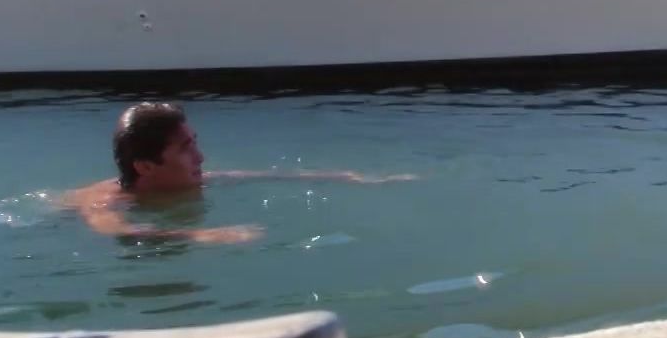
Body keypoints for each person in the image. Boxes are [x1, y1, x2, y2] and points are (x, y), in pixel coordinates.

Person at [61, 102, 411, 244]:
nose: (201, 157)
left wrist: (347, 178)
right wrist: (200, 236)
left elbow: (248, 175)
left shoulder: (182, 179)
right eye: (185, 149)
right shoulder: (105, 202)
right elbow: (117, 231)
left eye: (195, 143)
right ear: (145, 167)